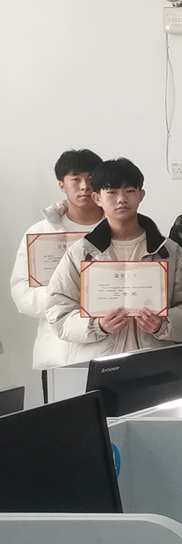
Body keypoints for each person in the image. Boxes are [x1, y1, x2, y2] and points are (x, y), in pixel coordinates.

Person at [45, 158, 182, 359]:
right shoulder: (81, 253)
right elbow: (58, 313)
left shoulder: (170, 252)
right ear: (97, 198)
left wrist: (164, 323)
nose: (121, 199)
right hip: (100, 361)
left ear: (141, 195)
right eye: (111, 192)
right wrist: (97, 325)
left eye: (129, 191)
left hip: (156, 360)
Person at [11, 149, 104, 389]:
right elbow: (22, 293)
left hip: (111, 352)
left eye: (90, 178)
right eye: (75, 179)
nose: (84, 186)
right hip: (58, 355)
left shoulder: (123, 227)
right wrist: (68, 297)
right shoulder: (40, 233)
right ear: (61, 184)